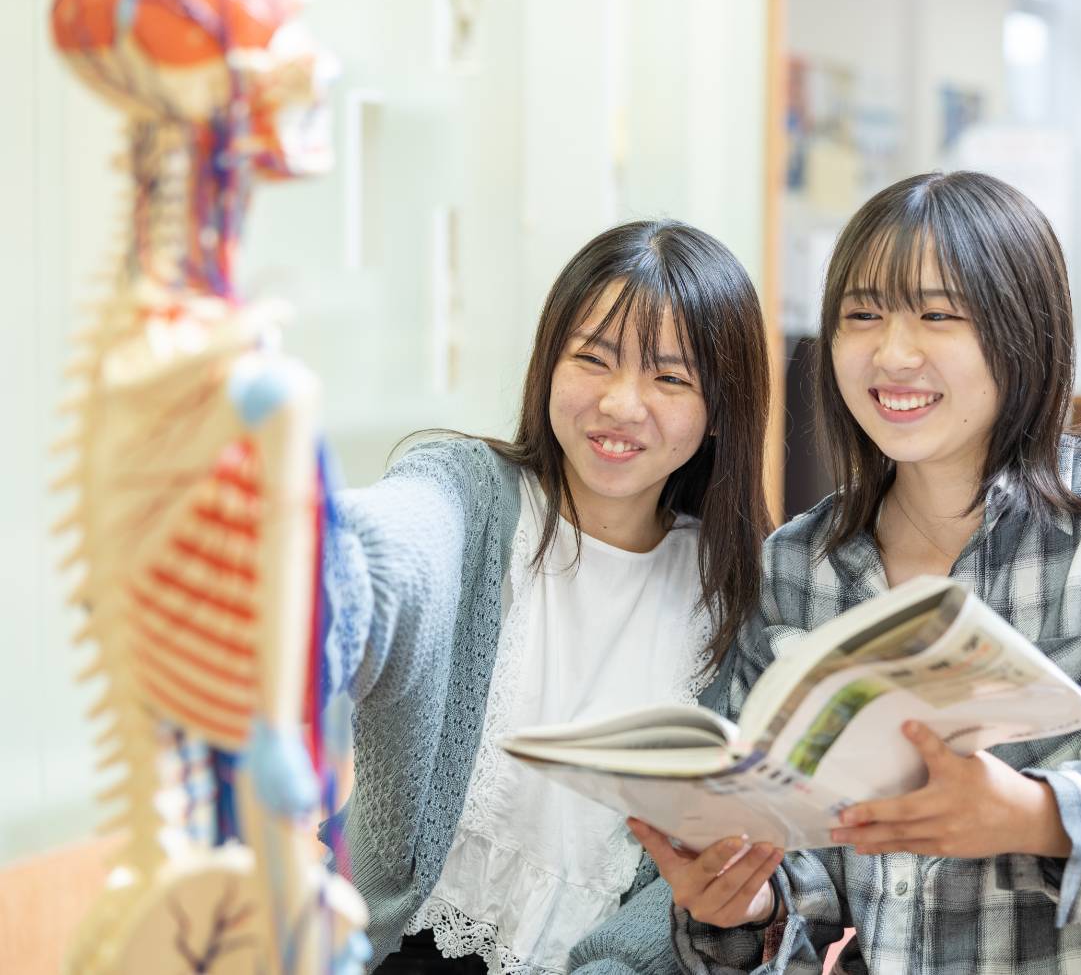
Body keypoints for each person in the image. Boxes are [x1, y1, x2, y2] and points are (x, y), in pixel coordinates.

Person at [596, 172, 1081, 973]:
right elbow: (802, 862)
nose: (892, 353)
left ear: (1022, 331)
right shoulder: (799, 564)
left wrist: (1035, 815)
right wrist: (747, 899)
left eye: (937, 314)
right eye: (861, 314)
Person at [317, 219, 771, 972]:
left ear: (720, 410)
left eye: (669, 377)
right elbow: (400, 540)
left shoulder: (736, 599)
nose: (621, 404)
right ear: (548, 363)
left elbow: (692, 877)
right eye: (592, 359)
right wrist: (332, 559)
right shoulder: (471, 494)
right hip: (385, 946)